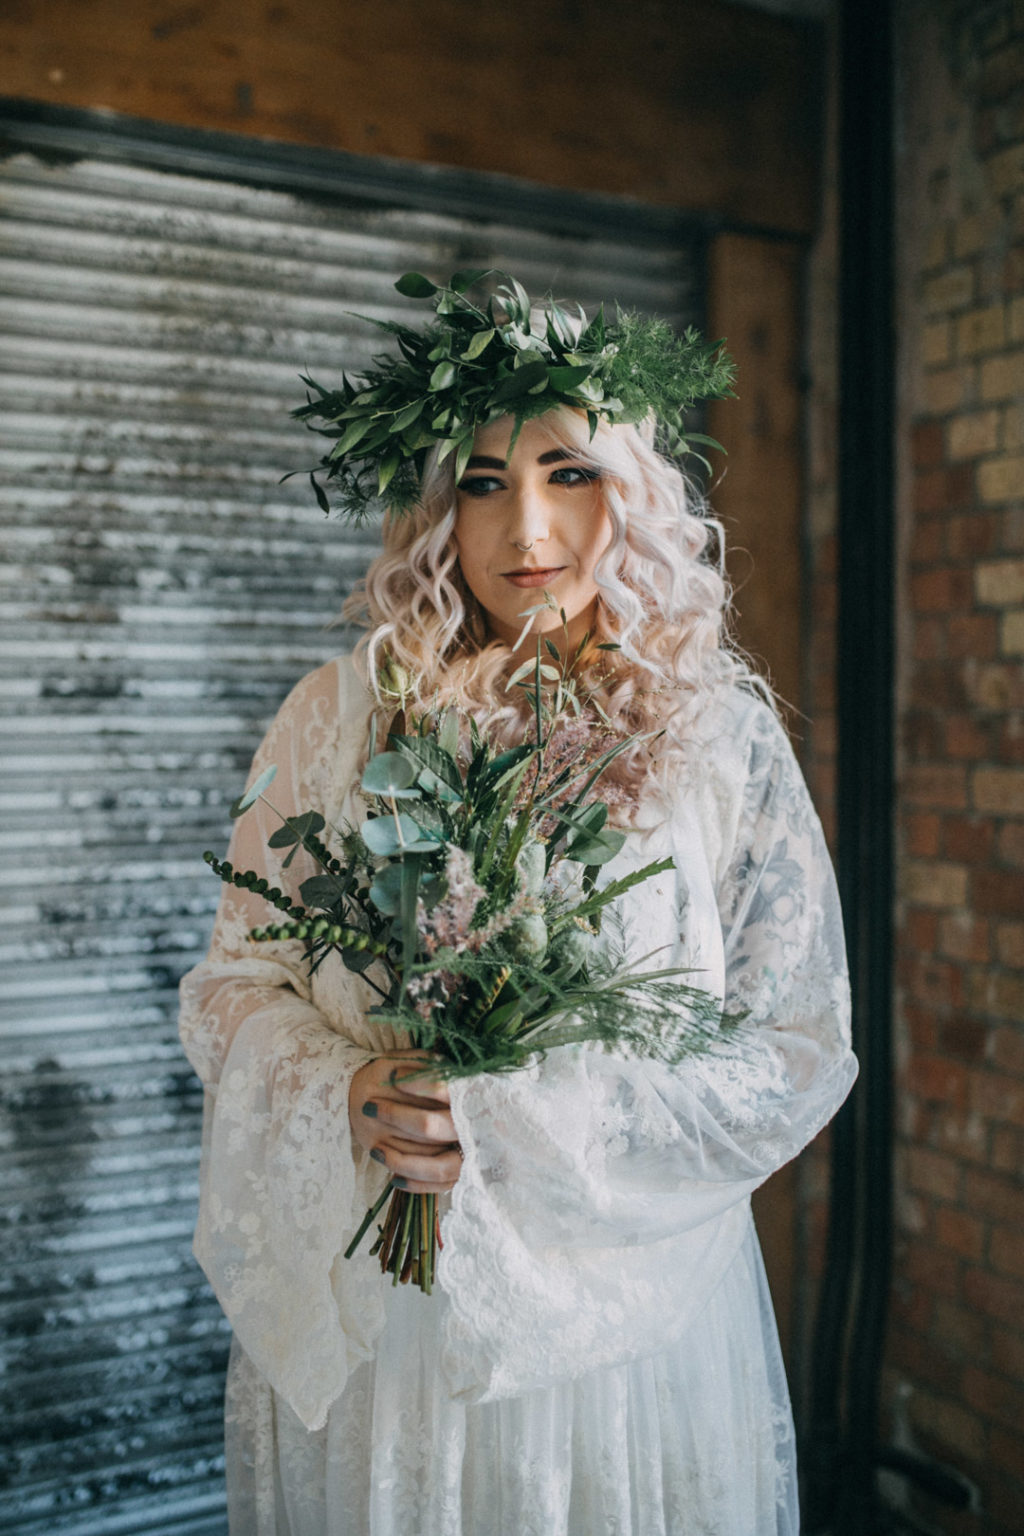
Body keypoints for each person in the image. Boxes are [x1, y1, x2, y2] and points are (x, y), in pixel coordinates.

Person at [179, 271, 857, 1535]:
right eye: (481, 484)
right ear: (435, 509)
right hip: (388, 1334)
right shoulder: (332, 721)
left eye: (569, 473)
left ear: (636, 493)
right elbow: (228, 991)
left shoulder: (719, 740)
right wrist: (345, 1091)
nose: (524, 530)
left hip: (619, 1335)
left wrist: (528, 1122)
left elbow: (795, 1045)